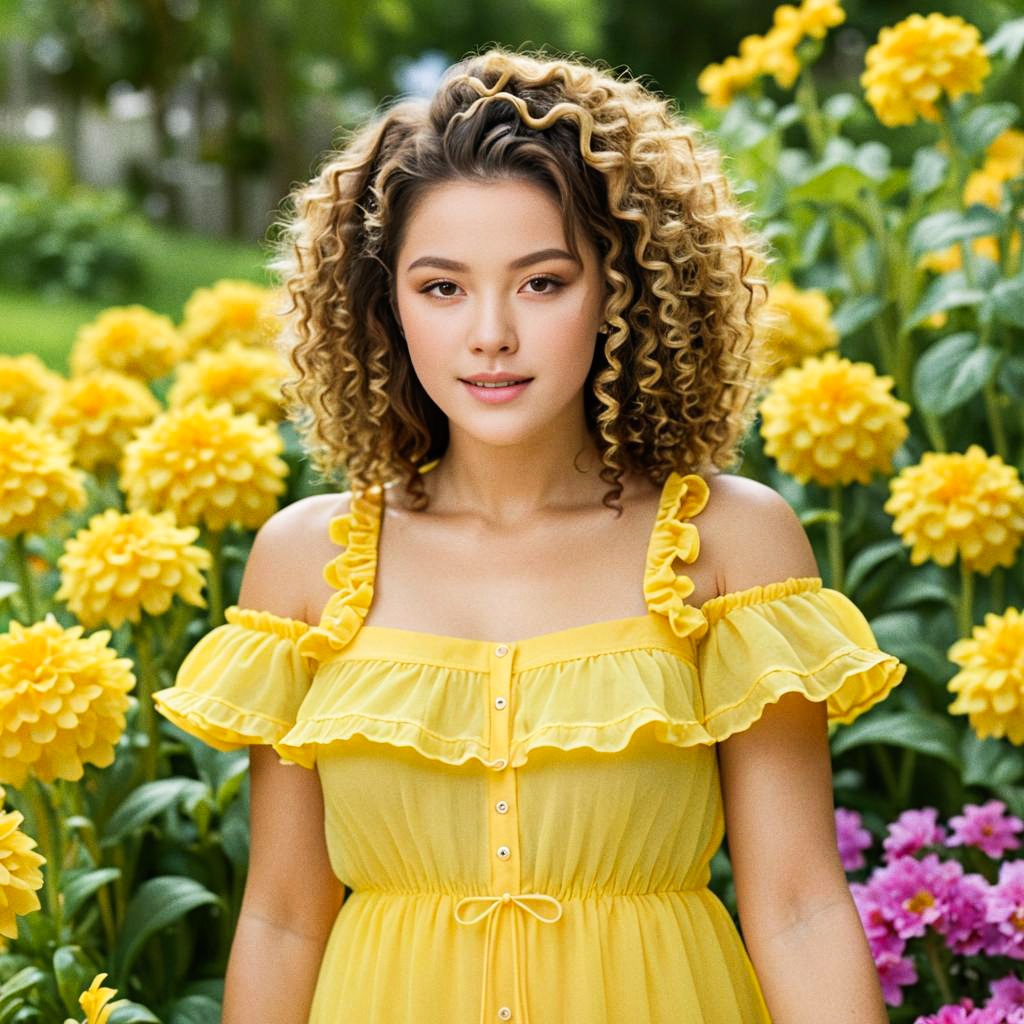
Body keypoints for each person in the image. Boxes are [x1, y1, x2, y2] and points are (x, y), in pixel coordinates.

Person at [152, 45, 904, 1024]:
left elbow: (798, 904)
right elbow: (285, 917)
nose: (491, 333)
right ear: (385, 306)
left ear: (622, 289)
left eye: (542, 282)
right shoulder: (305, 562)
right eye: (442, 287)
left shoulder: (727, 542)